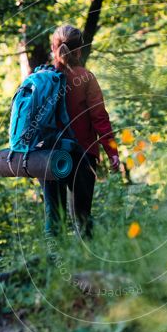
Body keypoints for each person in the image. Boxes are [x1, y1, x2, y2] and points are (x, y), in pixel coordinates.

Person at [42, 24, 120, 237]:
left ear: (53, 47)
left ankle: (53, 263)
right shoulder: (86, 78)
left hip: (49, 155)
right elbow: (100, 119)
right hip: (82, 156)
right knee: (83, 217)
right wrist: (112, 153)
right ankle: (87, 262)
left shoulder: (42, 78)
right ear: (80, 49)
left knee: (54, 217)